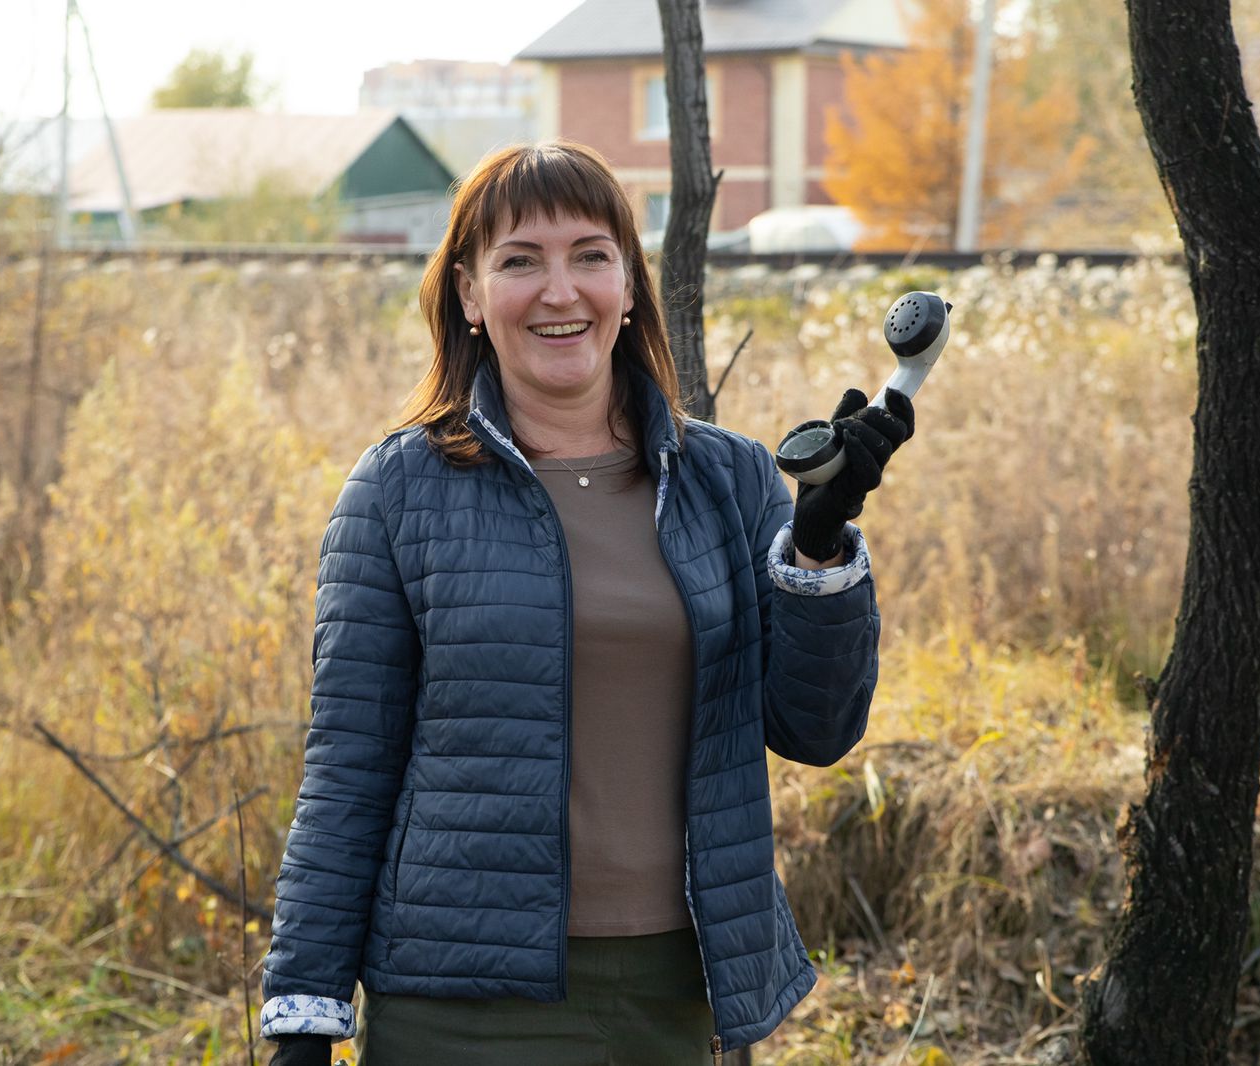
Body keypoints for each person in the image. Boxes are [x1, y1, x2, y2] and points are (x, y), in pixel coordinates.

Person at [260, 141, 914, 1066]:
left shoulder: (729, 479)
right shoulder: (398, 490)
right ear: (470, 294)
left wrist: (818, 547)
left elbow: (815, 729)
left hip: (670, 994)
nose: (559, 291)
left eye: (590, 256)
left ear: (630, 284)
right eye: (520, 261)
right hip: (456, 1003)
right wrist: (304, 1013)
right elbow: (347, 770)